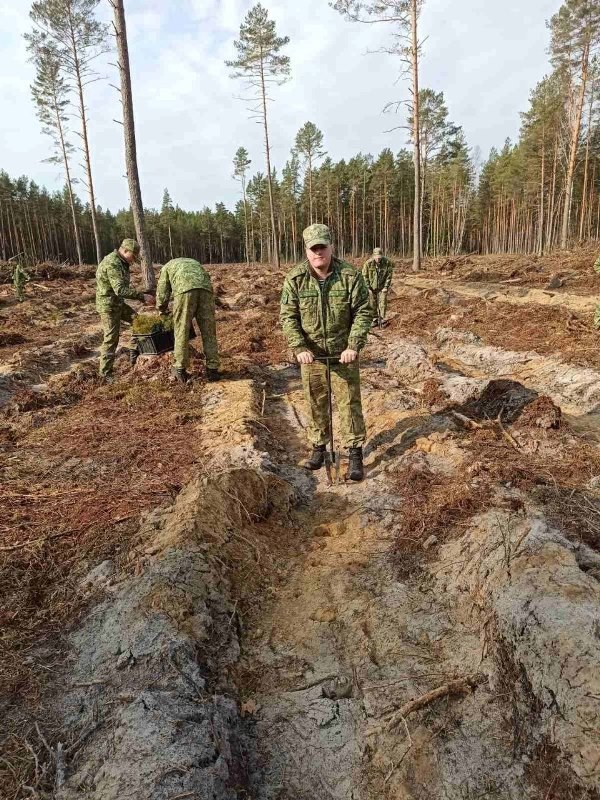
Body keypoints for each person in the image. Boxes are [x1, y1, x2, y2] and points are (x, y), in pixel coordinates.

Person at [280, 223, 373, 482]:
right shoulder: (295, 279)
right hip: (312, 356)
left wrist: (353, 345)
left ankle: (354, 453)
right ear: (307, 251)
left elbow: (364, 311)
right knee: (315, 402)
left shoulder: (350, 276)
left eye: (322, 247)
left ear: (331, 246)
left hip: (343, 354)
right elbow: (288, 317)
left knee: (349, 404)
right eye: (314, 249)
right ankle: (319, 448)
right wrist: (299, 347)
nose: (318, 253)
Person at [96, 238, 153, 381]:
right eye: (133, 256)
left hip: (118, 304)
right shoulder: (113, 263)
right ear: (125, 250)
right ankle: (105, 374)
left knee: (138, 322)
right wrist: (142, 296)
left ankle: (134, 353)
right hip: (108, 306)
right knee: (111, 338)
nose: (133, 260)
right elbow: (120, 289)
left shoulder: (122, 262)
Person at [155, 257, 220, 383]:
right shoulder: (194, 262)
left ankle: (180, 368)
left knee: (181, 330)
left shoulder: (166, 267)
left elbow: (162, 292)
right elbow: (206, 277)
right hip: (206, 291)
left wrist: (161, 309)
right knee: (209, 332)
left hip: (184, 291)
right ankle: (213, 369)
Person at [362, 246, 394, 325]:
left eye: (379, 257)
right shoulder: (368, 264)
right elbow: (364, 276)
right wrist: (368, 287)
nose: (378, 259)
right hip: (371, 287)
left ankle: (382, 318)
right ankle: (374, 318)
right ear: (373, 256)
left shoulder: (387, 263)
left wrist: (386, 287)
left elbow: (389, 276)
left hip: (382, 287)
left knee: (382, 301)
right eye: (376, 257)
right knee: (372, 303)